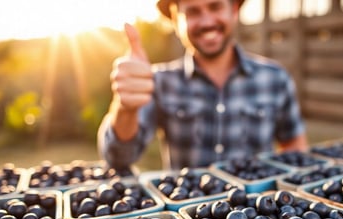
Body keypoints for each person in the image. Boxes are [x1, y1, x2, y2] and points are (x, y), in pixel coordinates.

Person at [97, 0, 308, 170]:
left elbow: (294, 148)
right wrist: (125, 108)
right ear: (176, 20)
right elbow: (118, 158)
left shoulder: (274, 78)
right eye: (193, 11)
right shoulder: (159, 82)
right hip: (185, 217)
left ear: (233, 10)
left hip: (257, 217)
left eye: (215, 6)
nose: (207, 21)